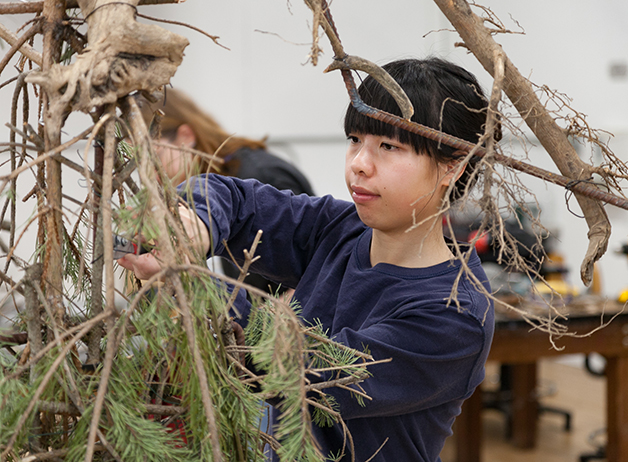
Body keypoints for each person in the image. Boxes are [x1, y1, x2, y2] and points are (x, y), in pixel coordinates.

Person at [121, 57, 495, 462]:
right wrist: (195, 221)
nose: (359, 164)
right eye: (355, 139)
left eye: (389, 146)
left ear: (452, 166)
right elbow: (238, 200)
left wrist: (191, 281)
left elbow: (306, 373)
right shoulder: (340, 228)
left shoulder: (455, 315)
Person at [138, 88, 314, 295]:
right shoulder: (207, 191)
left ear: (185, 136)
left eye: (155, 157)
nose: (150, 174)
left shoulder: (261, 175)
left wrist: (269, 323)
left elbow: (317, 274)